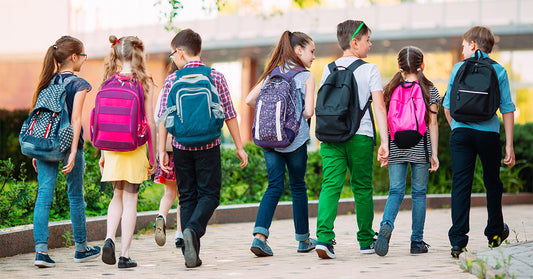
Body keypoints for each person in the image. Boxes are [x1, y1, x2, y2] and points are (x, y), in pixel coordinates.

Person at [157, 28, 248, 268]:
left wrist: (160, 152)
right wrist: (240, 147)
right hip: (209, 145)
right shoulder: (215, 76)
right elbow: (230, 114)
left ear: (179, 52)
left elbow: (163, 119)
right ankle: (194, 232)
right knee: (210, 195)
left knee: (187, 197)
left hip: (181, 146)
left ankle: (192, 254)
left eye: (171, 55)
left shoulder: (172, 80)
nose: (171, 59)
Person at [315, 20, 389, 259]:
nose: (370, 44)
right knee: (362, 187)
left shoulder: (328, 69)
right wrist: (385, 142)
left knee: (330, 186)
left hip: (330, 136)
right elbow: (379, 107)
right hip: (360, 136)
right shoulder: (370, 69)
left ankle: (324, 239)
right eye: (368, 40)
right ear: (355, 42)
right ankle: (366, 240)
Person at [443, 26, 516, 258]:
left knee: (461, 185)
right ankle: (494, 234)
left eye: (464, 45)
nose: (463, 50)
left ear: (473, 45)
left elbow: (447, 105)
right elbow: (507, 108)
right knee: (492, 182)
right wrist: (509, 145)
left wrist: (455, 127)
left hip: (461, 133)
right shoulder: (499, 70)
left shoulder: (458, 68)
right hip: (488, 134)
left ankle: (458, 241)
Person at [244, 31, 317, 257]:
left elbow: (249, 100)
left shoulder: (271, 74)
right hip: (294, 140)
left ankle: (260, 237)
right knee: (297, 187)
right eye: (311, 51)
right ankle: (304, 240)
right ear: (298, 50)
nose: (313, 56)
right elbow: (309, 111)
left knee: (274, 186)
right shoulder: (306, 76)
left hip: (268, 140)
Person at [31, 36, 101, 268]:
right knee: (75, 197)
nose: (85, 59)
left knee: (44, 196)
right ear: (74, 57)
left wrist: (36, 151)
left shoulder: (48, 81)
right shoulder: (78, 84)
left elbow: (41, 116)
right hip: (69, 146)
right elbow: (76, 120)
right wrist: (72, 152)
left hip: (45, 146)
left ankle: (41, 252)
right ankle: (81, 248)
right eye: (83, 55)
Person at [374, 46, 440, 257]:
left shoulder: (390, 89)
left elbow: (383, 118)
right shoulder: (430, 89)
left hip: (396, 146)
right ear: (422, 65)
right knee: (419, 194)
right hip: (420, 147)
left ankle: (386, 226)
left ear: (399, 66)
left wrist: (385, 145)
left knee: (396, 191)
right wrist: (434, 154)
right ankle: (416, 241)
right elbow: (433, 124)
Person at [99, 35, 157, 268]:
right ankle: (124, 256)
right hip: (134, 147)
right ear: (138, 54)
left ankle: (109, 238)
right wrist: (153, 157)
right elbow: (151, 122)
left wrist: (103, 154)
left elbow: (102, 120)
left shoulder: (107, 81)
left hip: (111, 147)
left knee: (117, 196)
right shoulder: (144, 81)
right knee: (131, 199)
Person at [154, 86, 183, 249]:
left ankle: (161, 217)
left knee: (169, 193)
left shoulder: (166, 89)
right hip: (183, 148)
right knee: (183, 196)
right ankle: (179, 235)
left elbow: (158, 117)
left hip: (166, 149)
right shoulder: (188, 86)